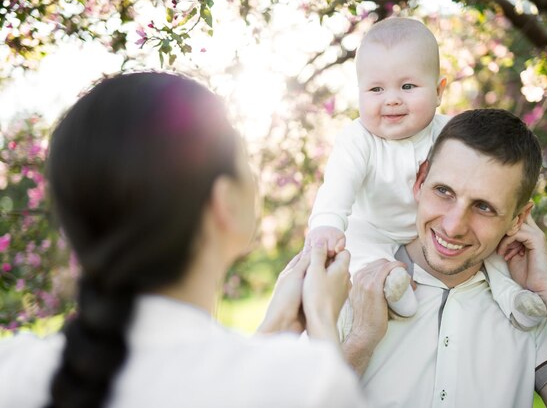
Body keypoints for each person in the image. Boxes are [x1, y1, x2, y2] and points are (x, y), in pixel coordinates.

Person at [0, 72, 368, 408]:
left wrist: (273, 329)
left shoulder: (15, 371)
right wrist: (321, 319)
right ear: (224, 202)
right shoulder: (305, 385)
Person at [340, 109, 547, 408]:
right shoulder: (351, 282)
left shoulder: (527, 312)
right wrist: (360, 342)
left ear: (518, 219)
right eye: (443, 191)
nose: (453, 226)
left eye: (484, 207)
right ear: (420, 180)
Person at [306, 17, 545, 328]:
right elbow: (338, 187)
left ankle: (514, 298)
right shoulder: (357, 140)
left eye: (407, 86)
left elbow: (490, 182)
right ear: (359, 93)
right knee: (356, 245)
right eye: (375, 89)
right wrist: (326, 224)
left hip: (437, 231)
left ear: (438, 91)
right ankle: (393, 285)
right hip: (376, 226)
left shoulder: (449, 134)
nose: (391, 99)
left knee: (493, 251)